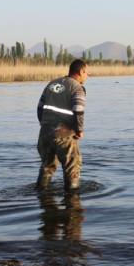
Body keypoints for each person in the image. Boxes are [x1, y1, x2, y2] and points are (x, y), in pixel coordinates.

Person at [36, 59, 89, 191]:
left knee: (47, 167)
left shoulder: (52, 84)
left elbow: (39, 108)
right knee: (72, 169)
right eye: (87, 72)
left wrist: (45, 126)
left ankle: (42, 198)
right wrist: (79, 130)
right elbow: (78, 109)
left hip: (45, 133)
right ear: (81, 71)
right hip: (63, 134)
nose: (87, 76)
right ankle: (72, 203)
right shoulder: (77, 87)